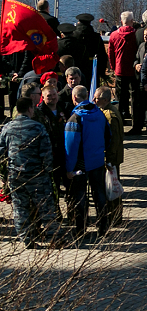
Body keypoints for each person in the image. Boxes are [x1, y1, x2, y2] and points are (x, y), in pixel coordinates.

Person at [0, 95, 61, 247]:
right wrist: (47, 172)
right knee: (46, 207)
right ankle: (54, 238)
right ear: (30, 108)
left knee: (20, 208)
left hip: (16, 174)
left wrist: (5, 175)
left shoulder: (7, 128)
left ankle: (26, 239)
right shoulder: (37, 127)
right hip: (37, 175)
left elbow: (1, 152)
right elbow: (46, 152)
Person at [63, 85, 111, 238]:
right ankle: (103, 228)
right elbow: (108, 136)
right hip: (97, 161)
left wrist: (69, 168)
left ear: (74, 98)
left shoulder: (75, 118)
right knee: (99, 194)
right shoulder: (99, 114)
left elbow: (70, 147)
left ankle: (80, 230)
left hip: (80, 164)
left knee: (80, 196)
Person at [108, 11, 146, 134]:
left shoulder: (114, 35)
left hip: (120, 70)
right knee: (136, 99)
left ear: (121, 21)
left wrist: (114, 67)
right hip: (134, 70)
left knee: (120, 100)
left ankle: (119, 124)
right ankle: (137, 125)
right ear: (132, 21)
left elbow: (111, 53)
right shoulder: (136, 35)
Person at [95, 87, 124, 226]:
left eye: (97, 98)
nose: (94, 100)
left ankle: (115, 217)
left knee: (112, 188)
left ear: (105, 100)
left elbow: (114, 140)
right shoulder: (106, 111)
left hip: (112, 158)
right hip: (112, 157)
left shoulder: (110, 116)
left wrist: (108, 159)